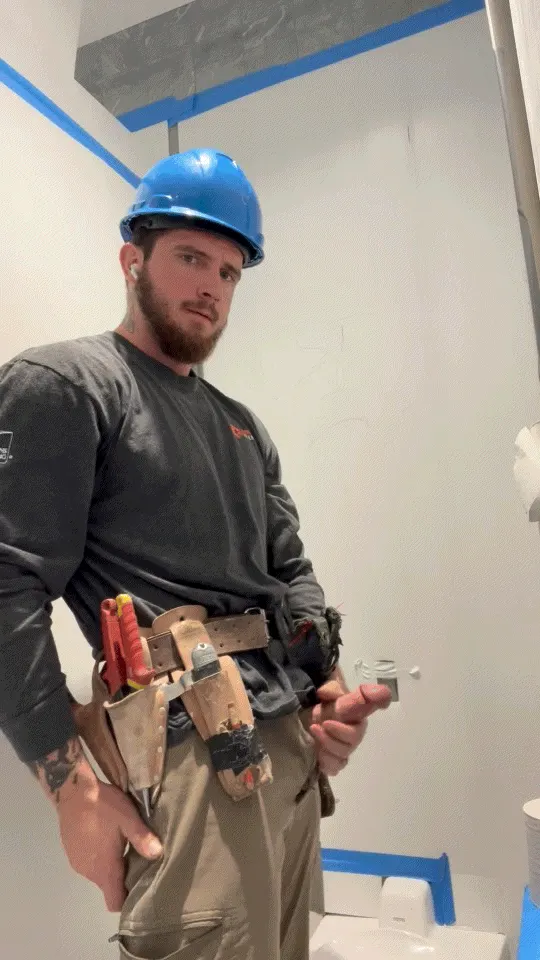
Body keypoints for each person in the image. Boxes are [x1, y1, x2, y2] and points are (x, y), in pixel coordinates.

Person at [0, 149, 391, 960]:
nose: (212, 285)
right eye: (189, 257)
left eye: (229, 271)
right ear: (132, 259)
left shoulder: (241, 426)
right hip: (186, 751)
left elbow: (291, 574)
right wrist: (71, 787)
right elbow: (7, 581)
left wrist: (324, 690)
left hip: (286, 755)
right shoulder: (68, 385)